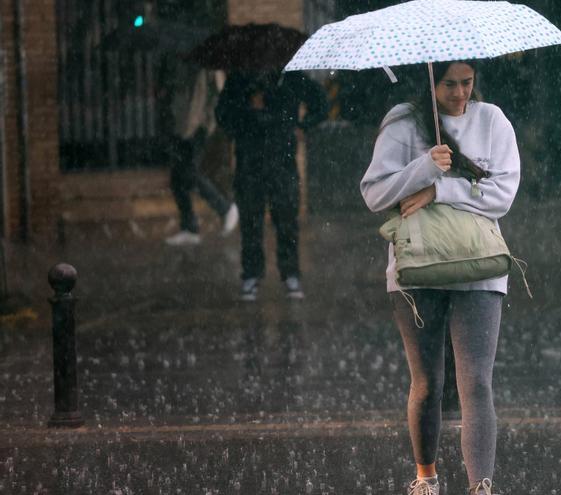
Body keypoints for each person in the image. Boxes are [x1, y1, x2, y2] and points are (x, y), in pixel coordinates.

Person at [360, 61, 520, 495]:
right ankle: (426, 478)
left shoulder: (493, 121)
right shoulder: (401, 122)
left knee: (477, 382)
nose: (460, 93)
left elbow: (502, 194)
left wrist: (440, 189)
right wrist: (425, 167)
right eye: (449, 83)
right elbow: (375, 193)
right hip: (418, 267)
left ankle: (480, 486)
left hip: (478, 266)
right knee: (428, 381)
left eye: (467, 83)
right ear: (430, 82)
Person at [215, 69, 327, 301]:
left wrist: (301, 127)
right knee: (251, 221)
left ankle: (290, 274)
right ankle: (252, 274)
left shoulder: (291, 78)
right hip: (250, 161)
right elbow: (223, 113)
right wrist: (245, 115)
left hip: (282, 160)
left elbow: (320, 103)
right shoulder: (241, 80)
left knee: (286, 219)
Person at [163, 63, 239, 246]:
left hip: (197, 127)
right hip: (182, 125)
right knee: (177, 178)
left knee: (189, 172)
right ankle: (190, 227)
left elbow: (220, 93)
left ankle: (225, 208)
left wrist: (207, 120)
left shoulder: (208, 64)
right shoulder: (183, 63)